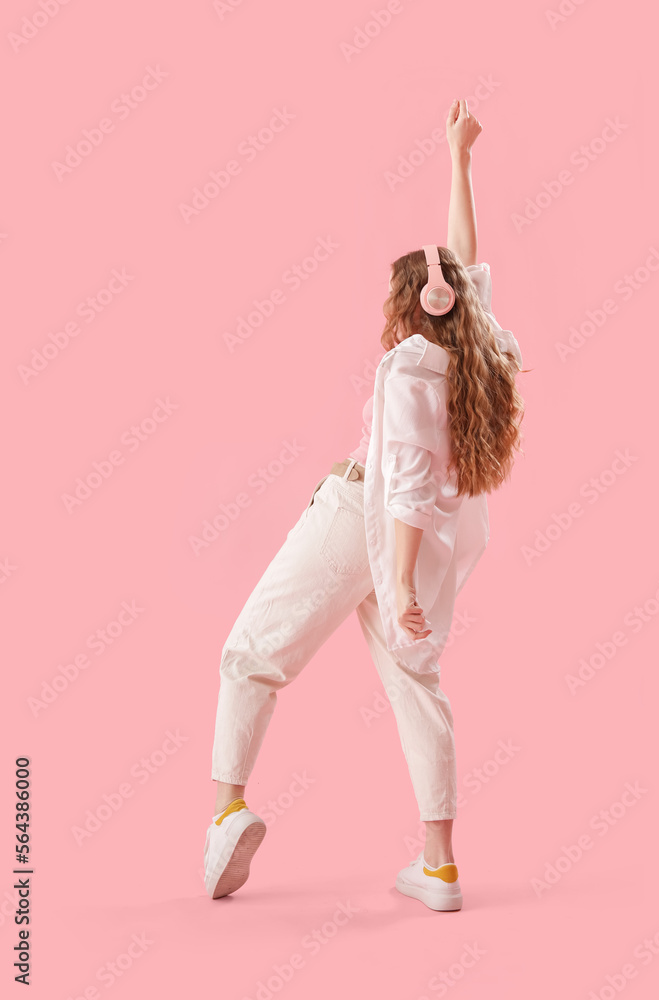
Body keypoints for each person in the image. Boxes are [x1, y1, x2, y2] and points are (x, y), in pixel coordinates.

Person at [203, 97, 526, 911]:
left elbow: (407, 487)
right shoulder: (480, 352)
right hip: (402, 544)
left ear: (415, 305)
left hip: (365, 524)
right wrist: (459, 157)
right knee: (417, 686)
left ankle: (224, 813)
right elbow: (462, 257)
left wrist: (402, 586)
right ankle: (439, 866)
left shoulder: (416, 366)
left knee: (249, 653)